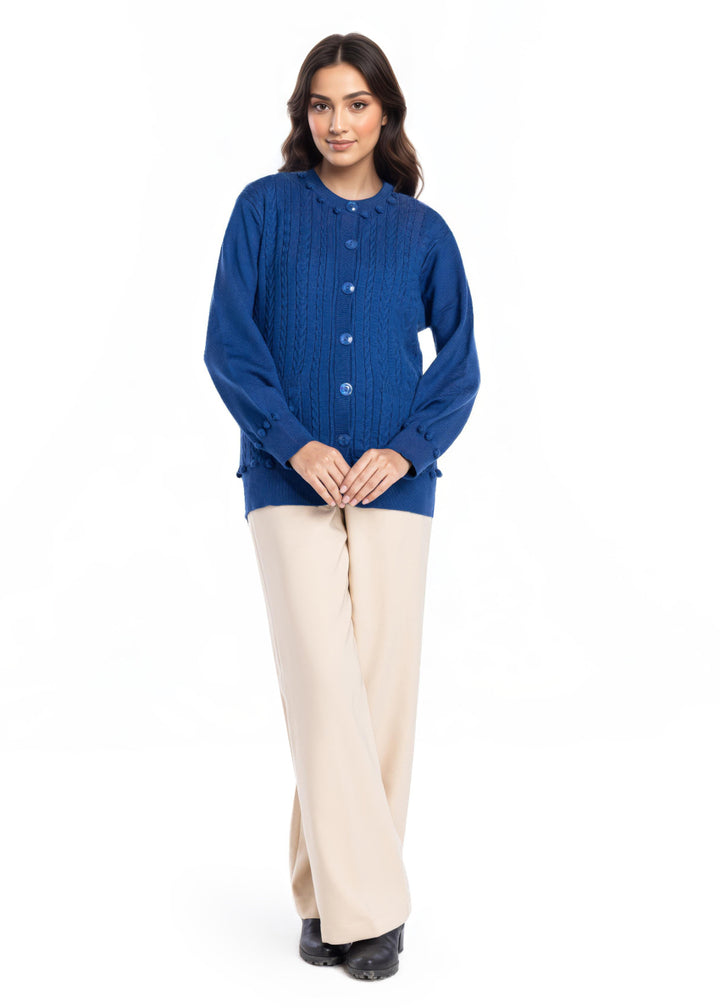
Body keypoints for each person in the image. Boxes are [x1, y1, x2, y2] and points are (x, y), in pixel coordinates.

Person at [204, 32, 481, 981]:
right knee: (323, 683)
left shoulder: (423, 232)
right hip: (287, 480)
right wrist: (295, 441)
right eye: (322, 105)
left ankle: (328, 900)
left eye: (356, 104)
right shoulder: (264, 210)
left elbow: (461, 363)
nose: (338, 122)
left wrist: (405, 450)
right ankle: (378, 911)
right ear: (303, 114)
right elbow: (229, 345)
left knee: (380, 691)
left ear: (384, 112)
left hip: (398, 487)